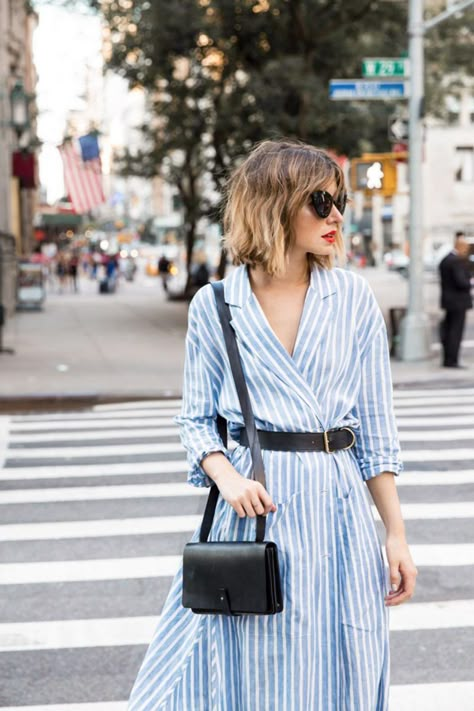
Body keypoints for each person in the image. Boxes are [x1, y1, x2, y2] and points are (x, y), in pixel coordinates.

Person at [128, 140, 417, 711]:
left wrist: (396, 534)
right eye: (320, 200)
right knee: (251, 665)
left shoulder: (354, 299)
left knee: (342, 660)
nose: (336, 215)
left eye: (340, 200)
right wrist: (227, 479)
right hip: (254, 514)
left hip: (337, 516)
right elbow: (194, 421)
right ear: (274, 205)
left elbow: (376, 433)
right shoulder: (215, 305)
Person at [439, 231, 473, 368]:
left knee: (449, 330)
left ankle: (448, 359)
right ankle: (452, 360)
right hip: (458, 302)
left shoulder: (446, 259)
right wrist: (470, 281)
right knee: (455, 332)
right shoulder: (456, 261)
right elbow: (461, 282)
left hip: (449, 301)